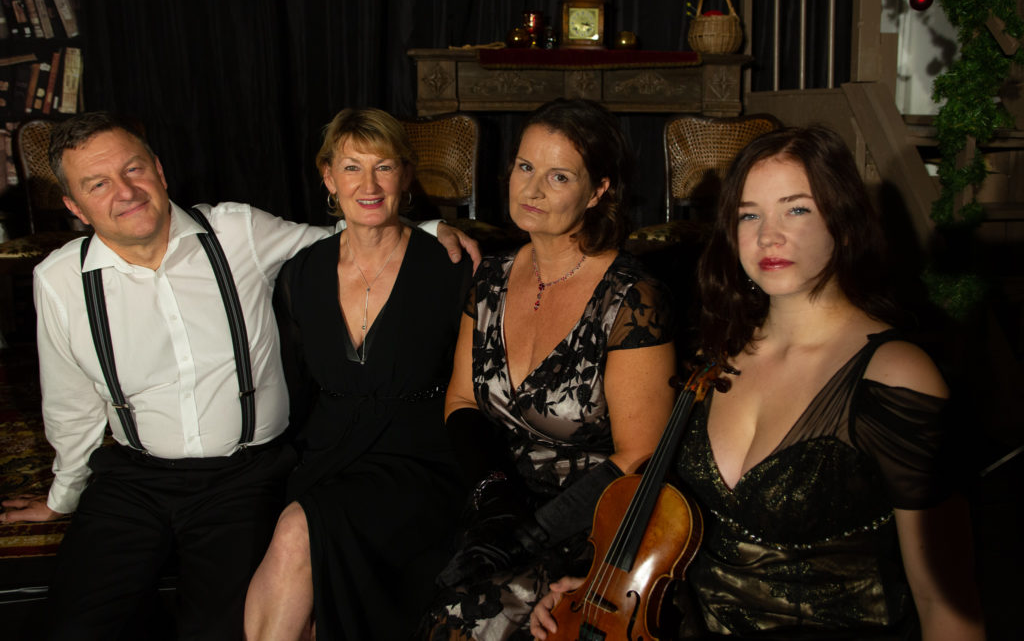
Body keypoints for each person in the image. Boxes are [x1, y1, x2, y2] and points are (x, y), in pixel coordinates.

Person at [0, 111, 478, 641]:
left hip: (242, 478)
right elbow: (70, 403)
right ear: (74, 205)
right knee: (73, 629)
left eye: (133, 170)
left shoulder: (236, 231)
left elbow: (346, 235)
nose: (126, 192)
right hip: (132, 478)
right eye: (98, 184)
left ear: (158, 170)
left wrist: (429, 230)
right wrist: (63, 494)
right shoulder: (59, 280)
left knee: (225, 630)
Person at [531, 125, 986, 640]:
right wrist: (606, 592)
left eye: (797, 209)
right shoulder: (715, 357)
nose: (769, 236)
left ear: (843, 222)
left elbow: (945, 602)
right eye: (750, 215)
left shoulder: (896, 374)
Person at [426, 98, 677, 640]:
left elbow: (640, 455)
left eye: (558, 176)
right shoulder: (489, 278)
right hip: (495, 507)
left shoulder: (631, 298)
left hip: (590, 529)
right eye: (525, 167)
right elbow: (462, 400)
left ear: (598, 190)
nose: (532, 189)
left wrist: (531, 536)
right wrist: (495, 498)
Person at [242, 108, 472, 640]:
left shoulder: (450, 267)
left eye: (383, 167)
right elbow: (297, 386)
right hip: (327, 453)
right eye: (351, 168)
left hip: (420, 458)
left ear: (405, 176)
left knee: (300, 530)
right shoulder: (301, 273)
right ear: (328, 177)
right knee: (300, 566)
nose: (368, 185)